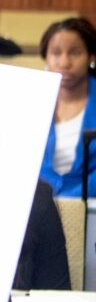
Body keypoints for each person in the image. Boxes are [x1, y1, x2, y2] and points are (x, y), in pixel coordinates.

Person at [38, 17, 96, 197]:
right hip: (39, 204)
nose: (64, 63)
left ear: (91, 56)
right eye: (56, 53)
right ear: (46, 57)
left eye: (74, 53)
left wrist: (69, 201)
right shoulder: (33, 99)